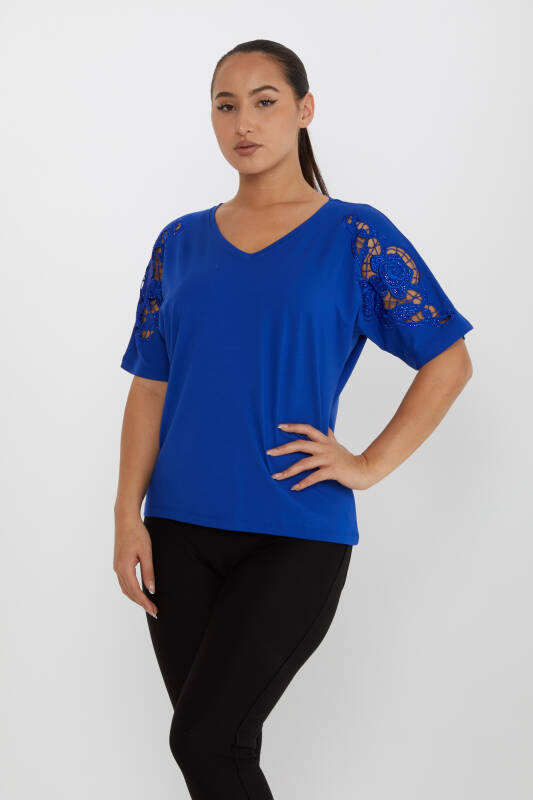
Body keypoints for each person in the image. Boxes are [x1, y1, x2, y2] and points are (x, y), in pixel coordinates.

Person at [114, 39, 474, 799]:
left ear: (304, 110)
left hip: (295, 532)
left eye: (265, 101)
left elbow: (448, 361)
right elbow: (150, 384)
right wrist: (125, 516)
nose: (243, 122)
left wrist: (366, 464)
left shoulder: (354, 236)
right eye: (226, 105)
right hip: (177, 534)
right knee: (214, 754)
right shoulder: (178, 242)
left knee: (206, 740)